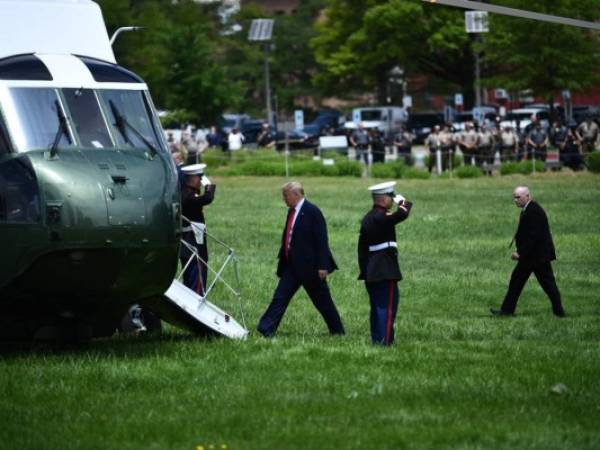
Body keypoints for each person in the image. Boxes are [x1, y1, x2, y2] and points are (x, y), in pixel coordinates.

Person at [257, 181, 345, 337]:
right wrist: (282, 256)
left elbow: (321, 240)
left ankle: (337, 331)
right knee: (280, 297)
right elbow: (289, 236)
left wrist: (323, 266)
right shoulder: (291, 211)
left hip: (311, 268)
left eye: (286, 195)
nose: (283, 199)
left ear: (296, 194)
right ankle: (266, 328)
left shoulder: (312, 211)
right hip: (292, 267)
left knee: (323, 302)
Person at [491, 186, 566, 318]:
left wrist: (520, 253)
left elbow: (534, 237)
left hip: (537, 257)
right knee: (517, 281)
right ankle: (507, 310)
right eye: (514, 197)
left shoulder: (534, 211)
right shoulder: (528, 209)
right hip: (532, 256)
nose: (515, 200)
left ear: (527, 196)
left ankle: (559, 312)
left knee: (547, 284)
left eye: (518, 197)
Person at [358, 181, 412, 345]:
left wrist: (364, 269)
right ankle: (384, 342)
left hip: (372, 271)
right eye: (391, 196)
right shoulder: (380, 216)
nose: (392, 199)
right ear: (383, 199)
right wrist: (403, 202)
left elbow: (361, 249)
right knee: (387, 309)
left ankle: (379, 340)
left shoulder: (369, 217)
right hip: (384, 271)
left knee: (378, 309)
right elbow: (402, 214)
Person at [180, 163, 216, 295]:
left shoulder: (185, 193)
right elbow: (208, 198)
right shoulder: (189, 196)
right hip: (194, 247)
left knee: (189, 283)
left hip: (187, 248)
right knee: (197, 288)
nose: (201, 182)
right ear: (193, 179)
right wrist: (209, 185)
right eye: (199, 178)